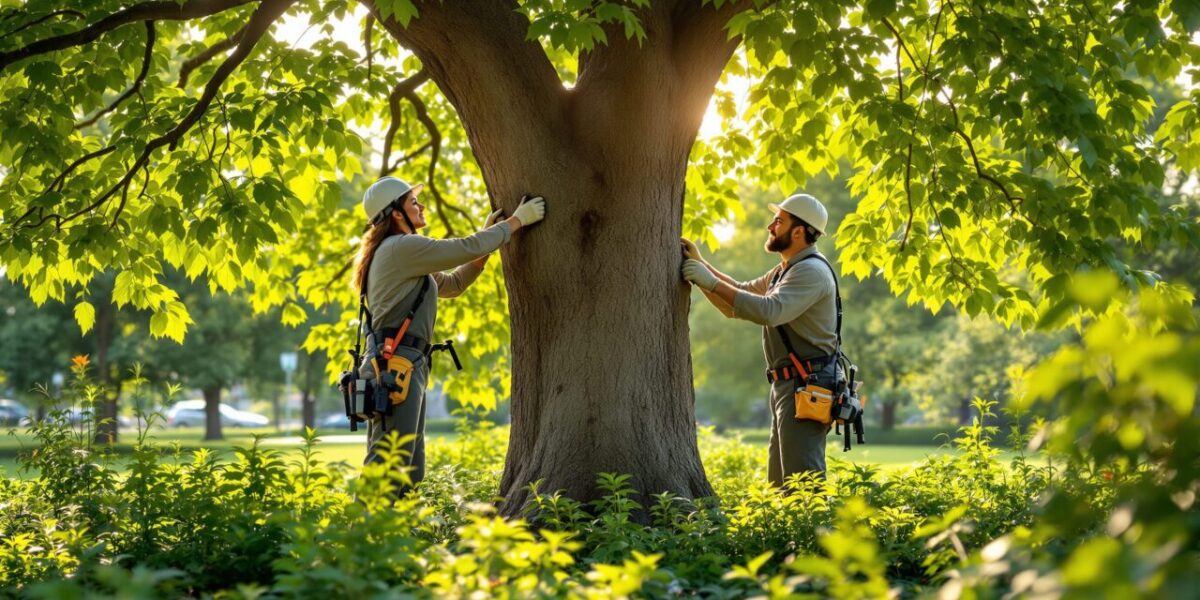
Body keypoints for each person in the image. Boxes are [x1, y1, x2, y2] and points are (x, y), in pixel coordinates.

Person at [353, 176, 545, 489]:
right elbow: (463, 248)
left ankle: (395, 533)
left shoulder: (404, 256)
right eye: (413, 202)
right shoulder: (402, 248)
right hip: (395, 364)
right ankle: (364, 535)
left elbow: (453, 285)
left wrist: (489, 237)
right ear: (397, 213)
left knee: (409, 468)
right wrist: (515, 222)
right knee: (390, 463)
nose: (421, 205)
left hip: (403, 364)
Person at [681, 193, 840, 485]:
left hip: (807, 385)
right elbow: (740, 295)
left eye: (778, 221)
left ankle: (816, 532)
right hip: (792, 385)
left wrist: (710, 281)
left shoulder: (811, 271)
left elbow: (770, 310)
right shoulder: (786, 270)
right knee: (780, 482)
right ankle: (793, 531)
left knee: (803, 486)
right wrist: (701, 265)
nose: (770, 226)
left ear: (798, 231)